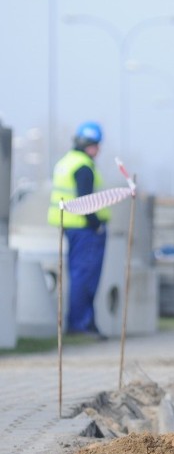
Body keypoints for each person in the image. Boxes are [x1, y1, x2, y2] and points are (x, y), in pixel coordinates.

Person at [47, 121, 110, 339]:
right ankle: (80, 324)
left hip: (70, 227)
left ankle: (84, 322)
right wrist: (97, 225)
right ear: (87, 144)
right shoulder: (83, 166)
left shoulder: (67, 161)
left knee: (79, 275)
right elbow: (86, 200)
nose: (98, 149)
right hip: (85, 231)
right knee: (85, 277)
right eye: (96, 144)